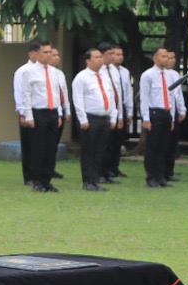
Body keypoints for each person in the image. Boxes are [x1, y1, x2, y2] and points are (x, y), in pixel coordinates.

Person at [140, 48, 185, 188]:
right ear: (154, 58)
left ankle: (161, 176)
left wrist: (172, 118)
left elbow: (172, 97)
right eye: (163, 56)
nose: (166, 59)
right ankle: (151, 176)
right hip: (154, 113)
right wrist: (146, 118)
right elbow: (144, 97)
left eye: (167, 56)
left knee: (163, 147)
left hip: (166, 113)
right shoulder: (148, 75)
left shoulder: (171, 75)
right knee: (152, 146)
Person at [71, 48, 115, 191]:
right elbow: (78, 100)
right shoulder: (82, 77)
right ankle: (88, 181)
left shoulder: (104, 76)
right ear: (88, 60)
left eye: (101, 57)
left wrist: (113, 116)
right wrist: (83, 119)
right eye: (96, 57)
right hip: (90, 119)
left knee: (99, 151)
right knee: (89, 151)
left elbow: (111, 97)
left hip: (104, 118)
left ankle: (96, 180)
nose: (100, 59)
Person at [13, 42, 52, 192]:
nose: (45, 55)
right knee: (29, 145)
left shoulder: (47, 71)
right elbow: (20, 93)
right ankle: (29, 175)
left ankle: (42, 175)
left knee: (40, 145)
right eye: (41, 52)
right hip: (27, 111)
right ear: (32, 53)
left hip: (43, 111)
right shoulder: (23, 71)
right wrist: (22, 113)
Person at [98, 43, 131, 181]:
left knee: (115, 142)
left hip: (116, 109)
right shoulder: (98, 71)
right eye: (111, 54)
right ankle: (102, 171)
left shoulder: (115, 71)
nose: (114, 57)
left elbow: (119, 93)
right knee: (104, 144)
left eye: (116, 54)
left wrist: (121, 114)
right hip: (103, 111)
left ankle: (111, 169)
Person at [45, 44, 71, 181]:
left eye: (57, 55)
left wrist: (66, 110)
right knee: (45, 143)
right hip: (47, 110)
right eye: (53, 55)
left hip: (58, 109)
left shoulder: (59, 73)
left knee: (54, 142)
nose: (56, 58)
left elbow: (63, 93)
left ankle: (51, 168)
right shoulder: (43, 72)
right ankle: (42, 170)